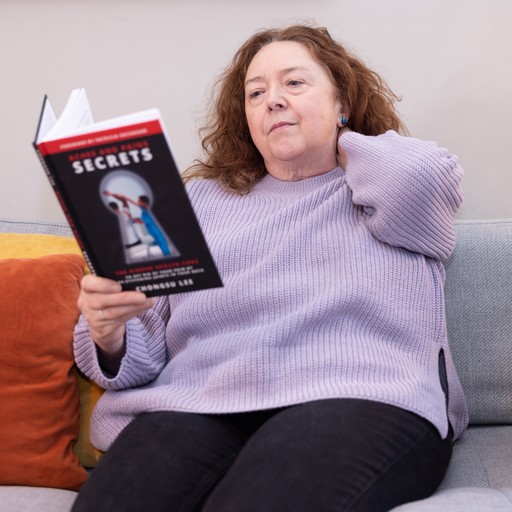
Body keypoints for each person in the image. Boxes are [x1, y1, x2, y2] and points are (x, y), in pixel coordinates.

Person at [71, 24, 468, 512]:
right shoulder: (197, 202)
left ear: (343, 99)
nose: (271, 101)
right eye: (255, 93)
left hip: (356, 392)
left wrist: (341, 138)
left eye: (294, 84)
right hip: (199, 401)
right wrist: (109, 332)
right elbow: (139, 354)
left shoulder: (385, 184)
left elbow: (426, 179)